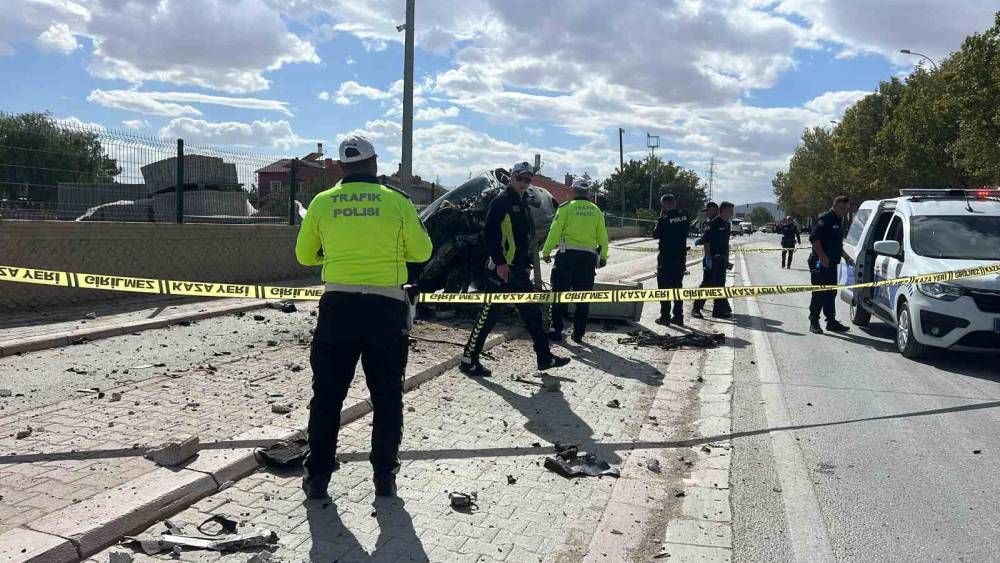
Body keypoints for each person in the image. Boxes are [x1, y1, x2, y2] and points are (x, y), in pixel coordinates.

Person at [295, 136, 432, 499]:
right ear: (374, 163)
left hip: (337, 308)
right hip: (386, 310)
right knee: (387, 397)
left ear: (341, 167)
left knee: (326, 396)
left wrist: (336, 252)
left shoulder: (322, 203)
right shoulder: (397, 202)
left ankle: (318, 478)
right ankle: (384, 477)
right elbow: (423, 250)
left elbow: (305, 256)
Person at [460, 161, 571, 377]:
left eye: (527, 179)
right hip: (502, 269)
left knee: (532, 314)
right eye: (520, 178)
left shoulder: (522, 201)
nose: (523, 182)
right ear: (512, 178)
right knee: (488, 315)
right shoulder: (502, 201)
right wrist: (500, 262)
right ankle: (468, 360)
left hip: (517, 269)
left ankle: (544, 357)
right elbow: (490, 233)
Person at [541, 177, 609, 343]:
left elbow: (555, 230)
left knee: (558, 295)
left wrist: (546, 250)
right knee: (583, 298)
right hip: (587, 259)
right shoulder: (596, 210)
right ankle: (578, 334)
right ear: (587, 192)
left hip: (567, 256)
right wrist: (604, 257)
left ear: (573, 190)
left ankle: (556, 330)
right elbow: (603, 236)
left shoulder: (566, 208)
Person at [808, 196, 853, 334]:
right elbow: (814, 239)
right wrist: (822, 257)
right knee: (819, 292)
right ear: (834, 205)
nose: (843, 211)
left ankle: (831, 322)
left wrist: (847, 257)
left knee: (831, 292)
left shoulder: (838, 220)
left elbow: (836, 245)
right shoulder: (825, 219)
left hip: (832, 263)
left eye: (846, 209)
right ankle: (814, 321)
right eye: (841, 208)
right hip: (819, 263)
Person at [692, 201, 734, 319]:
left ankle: (718, 310)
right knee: (707, 284)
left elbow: (725, 243)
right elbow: (706, 241)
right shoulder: (713, 223)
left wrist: (726, 260)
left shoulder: (727, 224)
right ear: (722, 211)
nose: (731, 214)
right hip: (711, 259)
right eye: (729, 211)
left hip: (722, 259)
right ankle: (696, 308)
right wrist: (708, 257)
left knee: (720, 285)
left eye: (732, 212)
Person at [653, 194, 690, 326]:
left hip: (666, 259)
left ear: (664, 205)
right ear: (675, 202)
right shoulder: (685, 215)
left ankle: (665, 317)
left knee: (664, 288)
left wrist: (661, 217)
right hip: (680, 258)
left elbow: (655, 234)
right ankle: (679, 317)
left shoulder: (664, 219)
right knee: (677, 287)